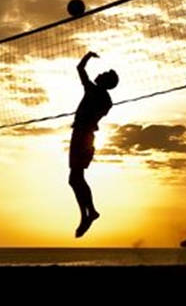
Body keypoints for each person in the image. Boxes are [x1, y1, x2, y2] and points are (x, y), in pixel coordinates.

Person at [69, 51, 118, 238]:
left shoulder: (95, 91)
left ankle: (88, 214)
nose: (101, 73)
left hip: (83, 137)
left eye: (104, 74)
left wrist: (88, 56)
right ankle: (87, 214)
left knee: (75, 178)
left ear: (106, 82)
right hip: (84, 136)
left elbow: (79, 68)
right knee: (75, 179)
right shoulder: (105, 99)